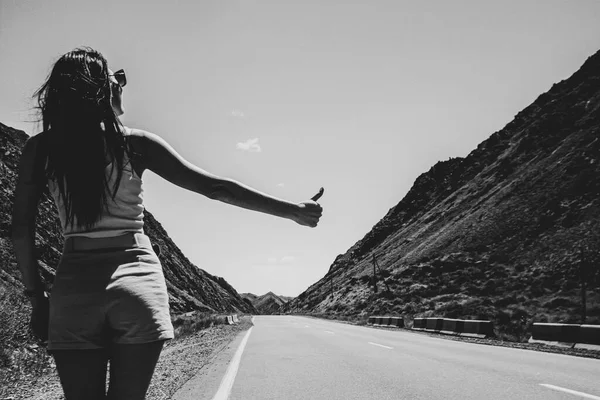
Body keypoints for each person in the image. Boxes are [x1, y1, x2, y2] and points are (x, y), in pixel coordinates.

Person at [10, 47, 323, 400]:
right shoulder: (134, 145)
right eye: (118, 77)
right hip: (137, 285)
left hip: (74, 290)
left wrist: (38, 300)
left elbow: (20, 230)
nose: (122, 84)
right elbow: (214, 188)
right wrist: (293, 210)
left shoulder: (40, 150)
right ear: (100, 88)